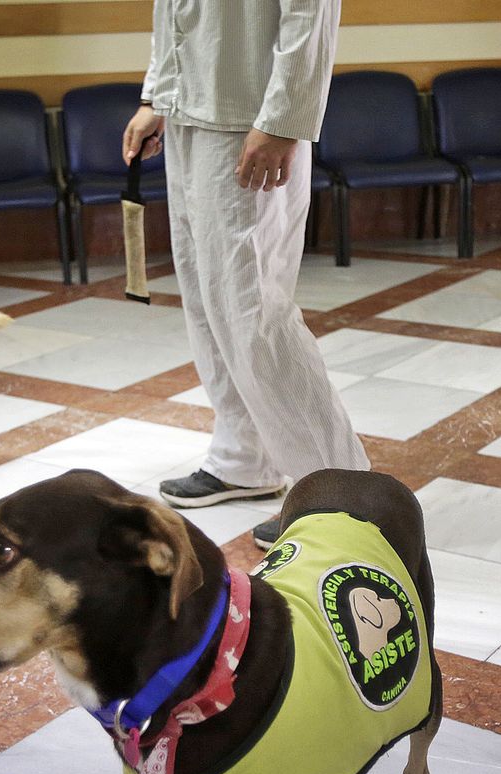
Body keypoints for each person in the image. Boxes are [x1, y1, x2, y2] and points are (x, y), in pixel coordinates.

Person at [122, 0, 369, 549]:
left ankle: (343, 494)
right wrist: (156, 96)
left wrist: (282, 121)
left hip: (250, 119)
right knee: (208, 303)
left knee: (254, 313)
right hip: (188, 110)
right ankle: (244, 458)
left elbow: (310, 13)